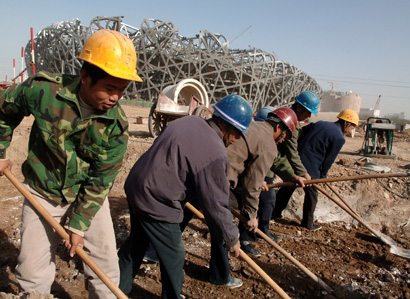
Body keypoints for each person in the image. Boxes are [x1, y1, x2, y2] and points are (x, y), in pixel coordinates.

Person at [0, 29, 142, 298]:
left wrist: (79, 225)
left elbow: (100, 179)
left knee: (105, 269)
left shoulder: (116, 126)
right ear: (85, 77)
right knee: (32, 271)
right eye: (110, 88)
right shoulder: (45, 91)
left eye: (122, 90)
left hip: (86, 194)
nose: (116, 97)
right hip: (42, 191)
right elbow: (5, 107)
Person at [118, 95, 253, 298]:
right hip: (156, 200)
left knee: (137, 242)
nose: (236, 139)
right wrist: (231, 237)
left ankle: (115, 288)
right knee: (174, 255)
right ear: (224, 124)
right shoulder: (216, 152)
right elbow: (216, 204)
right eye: (237, 132)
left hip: (136, 185)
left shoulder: (190, 120)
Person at [227, 107, 298, 256]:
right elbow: (252, 184)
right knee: (224, 228)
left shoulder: (253, 125)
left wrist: (292, 176)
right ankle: (219, 276)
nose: (284, 139)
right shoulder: (268, 143)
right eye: (285, 135)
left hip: (211, 173)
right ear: (278, 126)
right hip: (220, 179)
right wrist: (251, 215)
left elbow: (246, 159)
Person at [272, 109, 359, 230]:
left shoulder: (321, 123)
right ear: (347, 124)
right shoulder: (339, 137)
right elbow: (328, 160)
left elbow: (301, 133)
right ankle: (308, 223)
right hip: (311, 167)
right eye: (352, 127)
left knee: (288, 186)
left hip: (297, 161)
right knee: (312, 194)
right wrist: (322, 177)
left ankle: (274, 213)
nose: (351, 130)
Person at [259, 91, 320, 241]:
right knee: (267, 200)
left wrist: (294, 175)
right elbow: (292, 154)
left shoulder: (287, 118)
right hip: (266, 164)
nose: (309, 117)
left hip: (271, 162)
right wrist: (302, 173)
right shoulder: (288, 122)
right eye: (308, 112)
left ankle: (258, 230)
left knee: (264, 200)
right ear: (300, 108)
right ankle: (260, 232)